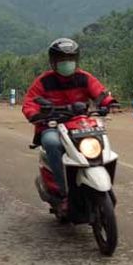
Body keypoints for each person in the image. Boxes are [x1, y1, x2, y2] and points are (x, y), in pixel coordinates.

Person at [22, 38, 119, 213]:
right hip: (52, 124)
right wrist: (35, 114)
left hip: (80, 122)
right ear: (53, 62)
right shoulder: (44, 81)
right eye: (62, 60)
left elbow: (100, 92)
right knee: (52, 143)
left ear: (76, 60)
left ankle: (103, 185)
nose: (67, 64)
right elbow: (30, 102)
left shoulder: (84, 77)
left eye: (70, 60)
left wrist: (110, 103)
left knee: (100, 139)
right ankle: (63, 192)